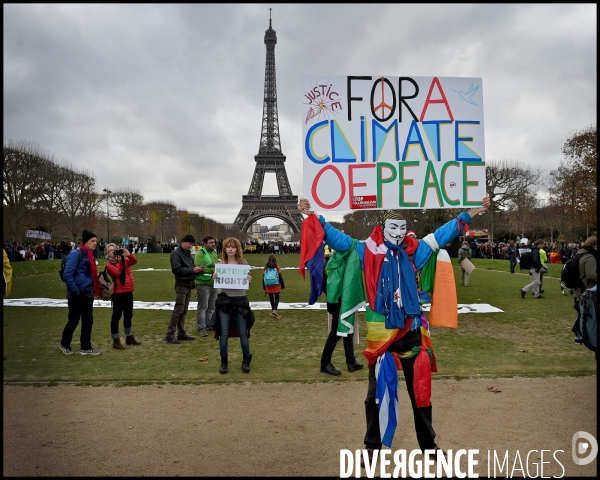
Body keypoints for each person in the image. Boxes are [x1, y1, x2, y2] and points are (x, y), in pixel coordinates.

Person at [298, 195, 491, 461]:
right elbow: (334, 237)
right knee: (374, 397)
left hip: (411, 334)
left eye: (403, 228)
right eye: (393, 228)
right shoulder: (365, 249)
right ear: (382, 228)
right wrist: (312, 215)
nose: (399, 234)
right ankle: (372, 447)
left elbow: (442, 234)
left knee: (421, 394)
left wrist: (470, 213)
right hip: (381, 339)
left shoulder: (416, 250)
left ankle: (429, 446)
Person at [212, 237, 254, 374]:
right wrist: (215, 277)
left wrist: (249, 279)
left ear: (237, 249)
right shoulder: (221, 264)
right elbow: (218, 285)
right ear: (224, 249)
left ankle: (246, 360)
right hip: (225, 301)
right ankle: (224, 362)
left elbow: (246, 282)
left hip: (240, 300)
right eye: (228, 246)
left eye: (233, 246)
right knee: (223, 334)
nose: (230, 249)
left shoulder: (243, 264)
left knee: (243, 333)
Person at [319, 253, 364, 376]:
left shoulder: (335, 262)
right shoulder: (335, 263)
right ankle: (325, 363)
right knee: (336, 333)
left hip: (343, 302)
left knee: (348, 331)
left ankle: (351, 361)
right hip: (339, 302)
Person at [59, 229, 102, 355]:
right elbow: (68, 274)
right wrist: (76, 291)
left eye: (96, 241)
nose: (95, 243)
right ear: (85, 242)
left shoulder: (90, 254)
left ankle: (86, 347)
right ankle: (64, 343)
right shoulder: (76, 254)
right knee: (74, 320)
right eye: (92, 241)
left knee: (88, 320)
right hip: (76, 293)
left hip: (88, 292)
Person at [165, 234, 203, 344]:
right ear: (184, 242)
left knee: (184, 310)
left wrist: (197, 269)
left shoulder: (186, 253)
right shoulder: (176, 254)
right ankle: (170, 334)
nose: (191, 246)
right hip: (181, 285)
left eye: (192, 244)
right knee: (178, 310)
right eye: (190, 244)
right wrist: (192, 271)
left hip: (188, 284)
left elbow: (188, 266)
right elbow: (177, 270)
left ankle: (181, 332)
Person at [105, 243, 141, 349]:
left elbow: (134, 261)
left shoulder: (124, 260)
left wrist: (128, 254)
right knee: (116, 316)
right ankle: (116, 340)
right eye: (111, 250)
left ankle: (129, 336)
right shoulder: (109, 265)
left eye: (115, 249)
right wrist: (120, 261)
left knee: (129, 315)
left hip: (128, 291)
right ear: (107, 254)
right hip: (118, 293)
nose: (114, 251)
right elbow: (118, 273)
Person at [571, 236, 597, 345]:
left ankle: (579, 333)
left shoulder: (580, 253)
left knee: (581, 313)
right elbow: (591, 274)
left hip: (579, 287)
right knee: (585, 314)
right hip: (586, 288)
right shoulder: (589, 257)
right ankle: (582, 334)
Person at [194, 235, 219, 337]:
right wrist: (214, 270)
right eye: (211, 242)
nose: (213, 244)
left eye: (214, 242)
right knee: (203, 307)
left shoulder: (214, 253)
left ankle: (208, 325)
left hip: (213, 283)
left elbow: (217, 265)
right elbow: (200, 267)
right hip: (203, 283)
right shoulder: (200, 253)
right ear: (204, 243)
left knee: (211, 307)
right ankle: (201, 327)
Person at [263, 254, 285, 319]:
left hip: (268, 285)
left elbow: (263, 278)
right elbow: (280, 277)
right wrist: (283, 286)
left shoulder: (266, 267)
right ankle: (275, 310)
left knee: (271, 298)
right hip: (275, 284)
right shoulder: (277, 266)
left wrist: (264, 287)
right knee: (277, 298)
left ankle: (273, 311)